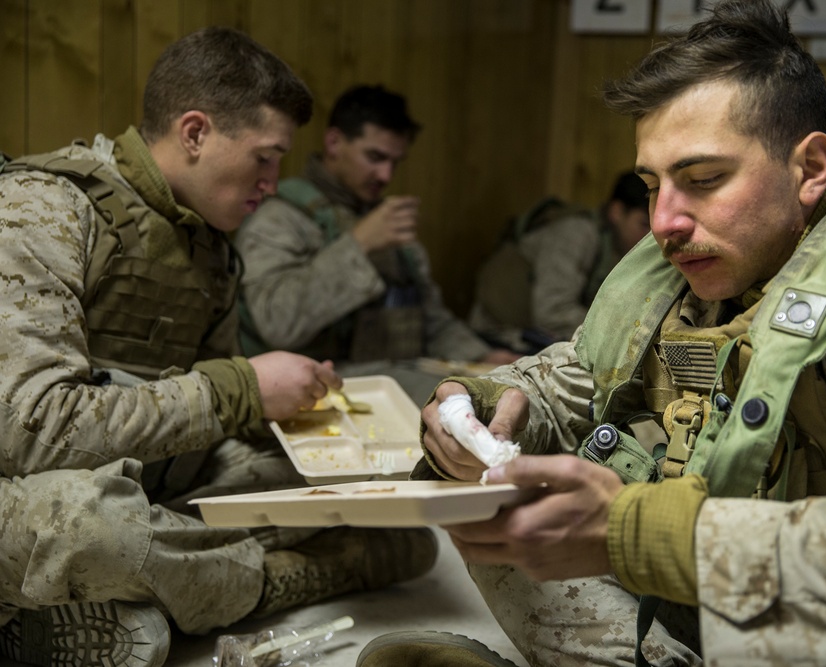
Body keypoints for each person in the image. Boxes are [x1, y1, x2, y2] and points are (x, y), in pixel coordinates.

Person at [356, 1, 826, 666]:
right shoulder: (682, 270)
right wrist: (483, 409)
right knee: (496, 509)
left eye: (702, 180)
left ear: (809, 170)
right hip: (696, 611)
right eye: (651, 185)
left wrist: (639, 532)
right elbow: (571, 377)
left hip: (815, 620)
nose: (663, 220)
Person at [0, 28, 436, 667]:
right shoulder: (42, 208)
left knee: (354, 486)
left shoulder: (208, 247)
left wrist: (295, 414)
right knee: (94, 526)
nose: (272, 182)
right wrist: (239, 388)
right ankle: (297, 575)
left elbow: (206, 433)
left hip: (152, 481)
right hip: (31, 487)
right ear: (195, 132)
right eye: (265, 157)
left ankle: (122, 601)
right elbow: (27, 430)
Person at [235, 84, 520, 394]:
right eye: (374, 157)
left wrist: (481, 355)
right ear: (334, 143)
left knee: (499, 391)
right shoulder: (280, 218)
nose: (385, 175)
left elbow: (429, 316)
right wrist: (358, 246)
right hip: (309, 388)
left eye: (395, 162)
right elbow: (277, 323)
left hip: (388, 377)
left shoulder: (384, 217)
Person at [468, 171, 651, 353]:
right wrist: (623, 330)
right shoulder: (576, 233)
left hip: (534, 341)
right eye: (644, 224)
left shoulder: (620, 248)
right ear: (617, 212)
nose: (649, 236)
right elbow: (553, 312)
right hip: (497, 339)